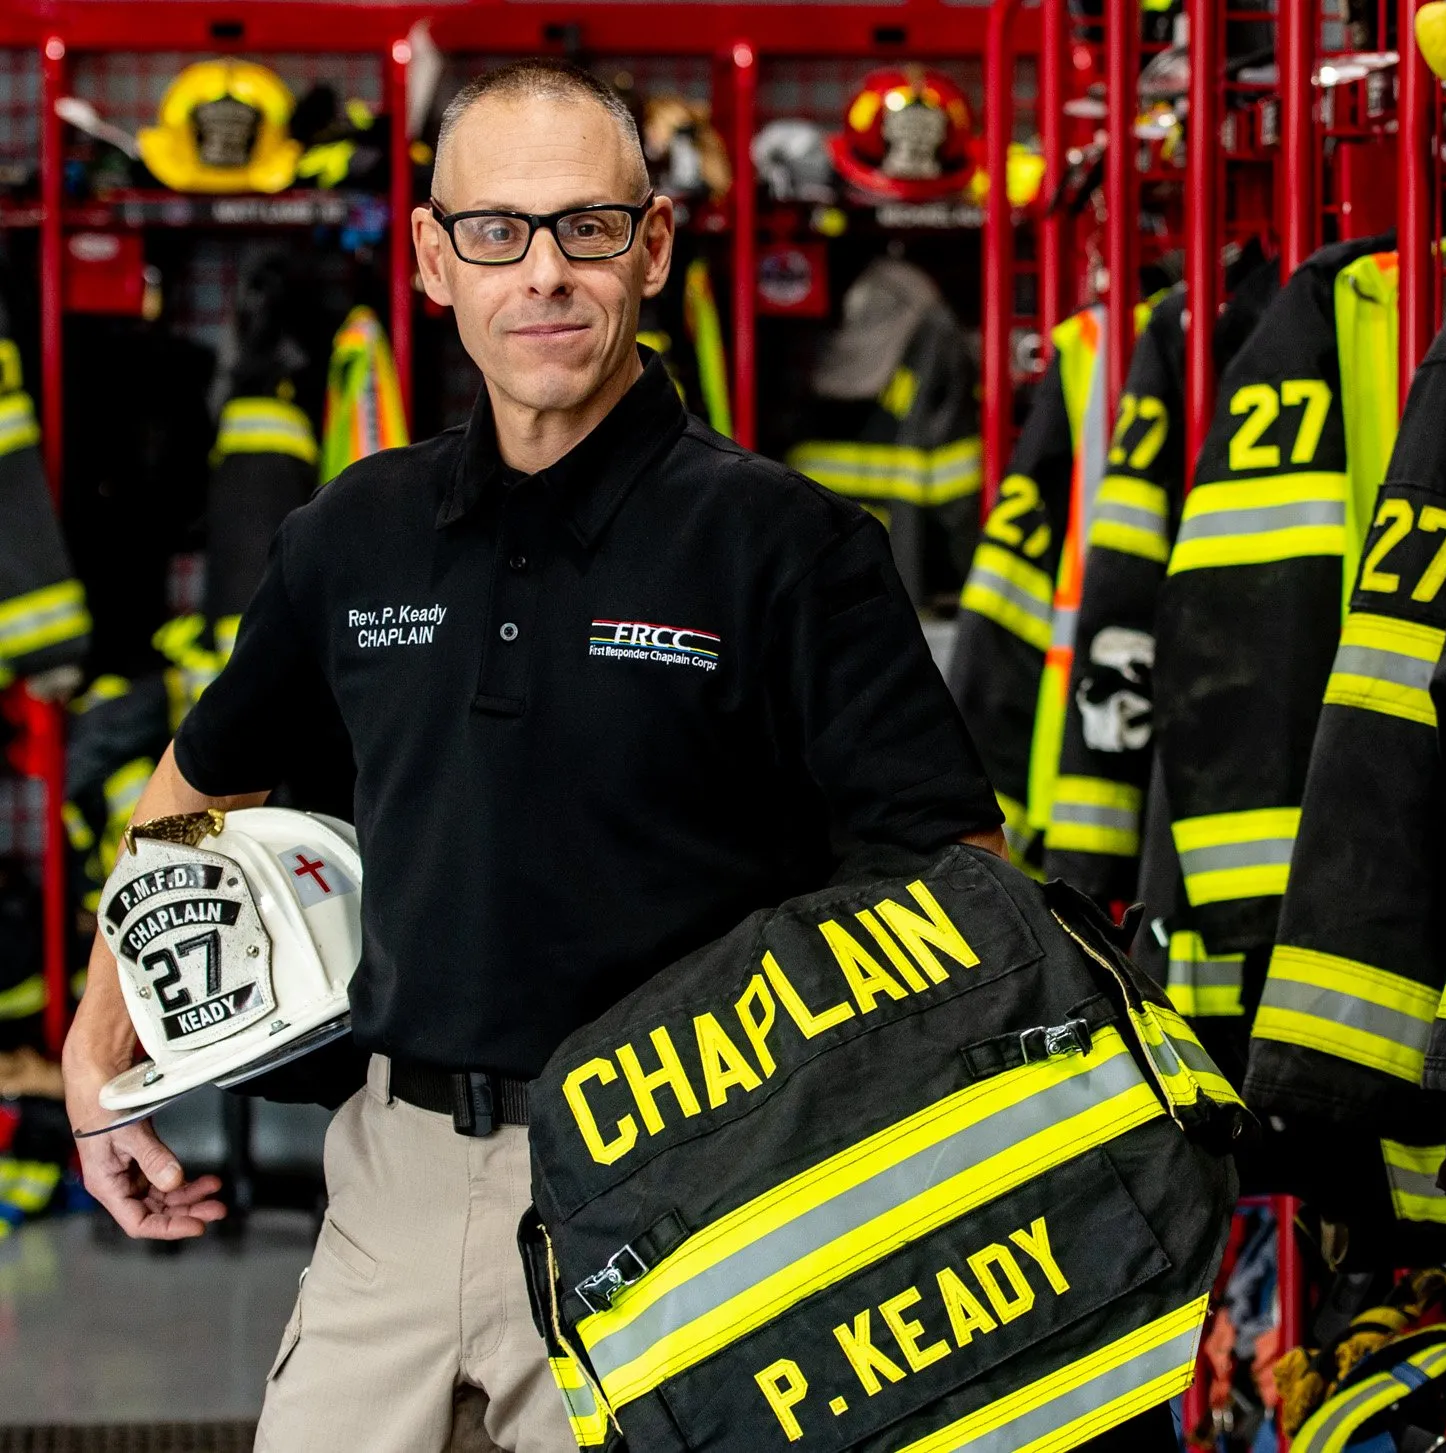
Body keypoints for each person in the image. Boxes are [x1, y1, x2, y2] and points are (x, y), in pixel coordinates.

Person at [61, 60, 1010, 1451]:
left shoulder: (787, 546)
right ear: (437, 262)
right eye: (497, 231)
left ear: (655, 248)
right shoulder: (351, 535)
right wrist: (98, 1057)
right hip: (391, 1180)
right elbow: (202, 791)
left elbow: (958, 881)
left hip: (677, 1208)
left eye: (588, 227)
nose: (545, 274)